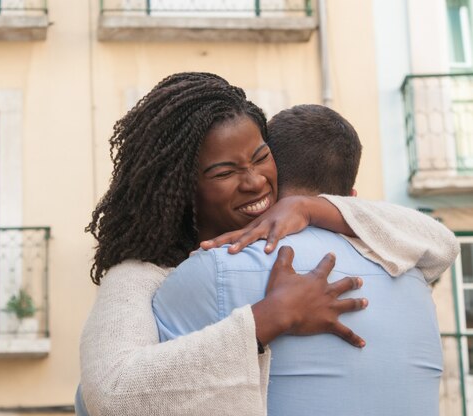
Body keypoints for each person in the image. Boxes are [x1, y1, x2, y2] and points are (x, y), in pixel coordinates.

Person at [78, 73, 458, 415]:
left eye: (261, 158)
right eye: (225, 172)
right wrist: (267, 318)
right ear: (179, 189)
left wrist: (311, 207)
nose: (255, 182)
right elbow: (110, 394)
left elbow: (439, 240)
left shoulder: (291, 226)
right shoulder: (138, 275)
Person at [153, 104, 445, 415]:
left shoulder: (215, 268)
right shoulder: (414, 276)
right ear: (353, 199)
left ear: (269, 179)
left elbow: (137, 394)